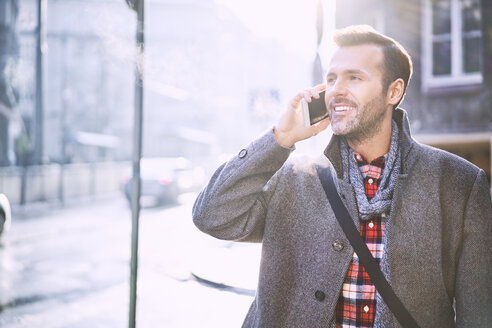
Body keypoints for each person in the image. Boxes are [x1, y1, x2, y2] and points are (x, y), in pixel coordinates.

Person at [192, 25, 492, 328]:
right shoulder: (295, 177)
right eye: (331, 79)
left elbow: (479, 314)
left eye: (354, 77)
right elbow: (211, 216)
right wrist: (279, 139)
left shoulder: (459, 184)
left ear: (394, 91)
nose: (336, 89)